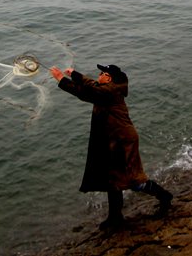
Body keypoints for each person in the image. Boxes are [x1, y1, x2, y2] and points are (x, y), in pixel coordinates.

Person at [50, 63, 173, 230]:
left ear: (108, 78)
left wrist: (63, 78)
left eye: (101, 73)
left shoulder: (109, 92)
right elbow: (88, 88)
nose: (98, 76)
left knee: (134, 180)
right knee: (112, 180)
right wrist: (72, 76)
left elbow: (89, 90)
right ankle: (115, 218)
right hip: (113, 141)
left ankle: (165, 196)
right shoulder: (106, 90)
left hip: (123, 142)